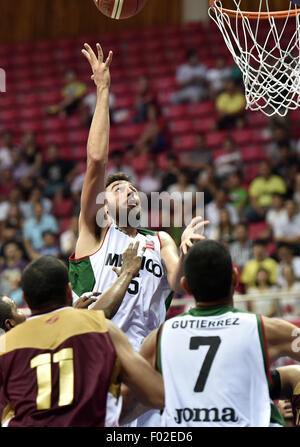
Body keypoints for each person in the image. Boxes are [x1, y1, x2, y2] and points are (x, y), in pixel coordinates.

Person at [70, 43, 208, 427]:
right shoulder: (96, 234)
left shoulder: (159, 239)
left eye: (131, 188)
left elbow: (181, 286)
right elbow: (97, 160)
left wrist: (185, 251)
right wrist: (102, 90)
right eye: (118, 189)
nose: (128, 192)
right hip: (99, 362)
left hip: (146, 370)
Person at [128, 240, 300, 427]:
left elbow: (123, 404)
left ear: (186, 286)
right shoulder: (263, 328)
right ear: (235, 278)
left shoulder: (160, 337)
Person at [0, 249, 164, 427]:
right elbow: (155, 393)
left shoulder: (5, 345)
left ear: (25, 298)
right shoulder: (99, 326)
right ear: (69, 292)